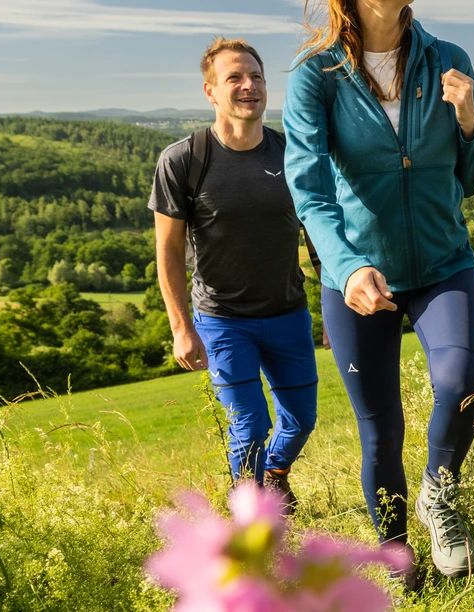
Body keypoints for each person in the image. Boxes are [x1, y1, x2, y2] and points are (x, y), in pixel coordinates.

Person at [284, 0, 474, 579]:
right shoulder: (315, 76)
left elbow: (471, 178)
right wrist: (346, 266)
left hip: (445, 263)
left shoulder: (448, 60)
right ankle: (399, 564)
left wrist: (469, 121)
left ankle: (438, 494)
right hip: (358, 278)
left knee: (462, 385)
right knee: (381, 431)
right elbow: (308, 188)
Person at [150, 38, 322, 511]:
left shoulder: (293, 154)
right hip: (223, 319)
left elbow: (317, 230)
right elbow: (167, 250)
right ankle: (251, 516)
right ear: (210, 91)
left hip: (288, 311)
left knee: (301, 419)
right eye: (235, 78)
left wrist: (334, 300)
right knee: (250, 424)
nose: (250, 86)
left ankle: (276, 474)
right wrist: (181, 327)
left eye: (257, 77)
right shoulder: (184, 160)